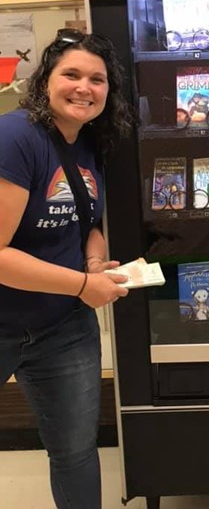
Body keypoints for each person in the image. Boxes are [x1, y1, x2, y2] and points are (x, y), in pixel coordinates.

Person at [0, 28, 136, 508]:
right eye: (71, 74)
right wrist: (83, 284)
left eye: (97, 79)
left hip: (63, 329)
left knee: (76, 454)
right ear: (45, 82)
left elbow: (89, 223)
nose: (85, 87)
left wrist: (95, 261)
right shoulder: (15, 136)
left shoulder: (88, 142)